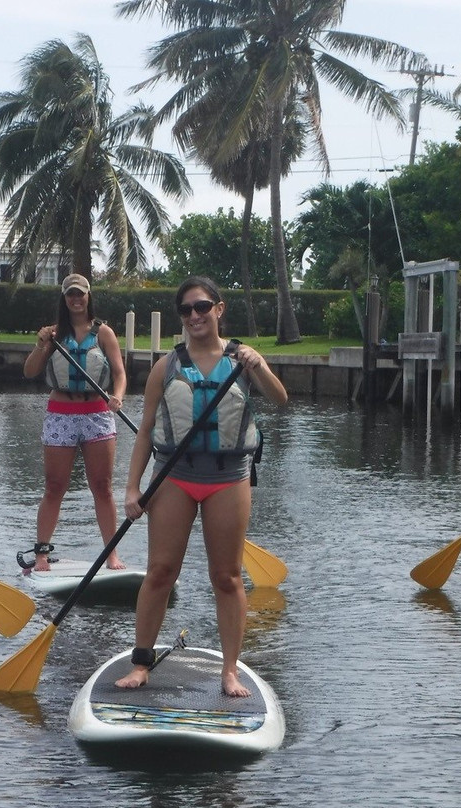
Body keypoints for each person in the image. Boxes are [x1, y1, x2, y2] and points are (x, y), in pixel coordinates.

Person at [115, 276, 288, 697]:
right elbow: (145, 432)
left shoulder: (243, 361)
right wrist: (133, 489)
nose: (195, 315)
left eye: (203, 306)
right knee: (160, 572)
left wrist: (259, 364)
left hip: (228, 479)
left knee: (226, 577)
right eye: (187, 309)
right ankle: (141, 665)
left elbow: (281, 399)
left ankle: (230, 671)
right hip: (174, 477)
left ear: (219, 309)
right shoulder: (167, 366)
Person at [22, 273, 127, 572]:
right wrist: (41, 345)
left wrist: (117, 396)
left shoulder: (103, 333)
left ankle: (112, 554)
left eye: (80, 294)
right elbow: (30, 371)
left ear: (88, 296)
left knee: (102, 486)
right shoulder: (54, 335)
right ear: (64, 299)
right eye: (71, 295)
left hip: (97, 415)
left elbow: (119, 374)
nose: (76, 299)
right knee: (54, 486)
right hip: (61, 414)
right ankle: (41, 554)